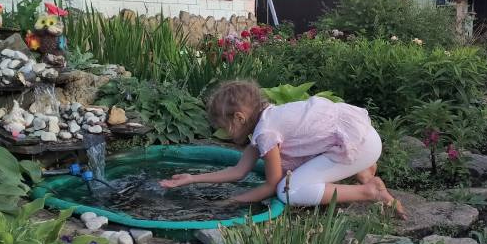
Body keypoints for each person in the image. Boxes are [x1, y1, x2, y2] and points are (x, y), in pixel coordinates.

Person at [159, 80, 407, 217]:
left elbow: (272, 185)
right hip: (363, 135)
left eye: (225, 127)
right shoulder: (267, 118)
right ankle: (363, 170)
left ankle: (368, 191)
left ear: (239, 118)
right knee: (296, 178)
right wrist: (192, 179)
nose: (224, 134)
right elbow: (238, 171)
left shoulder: (265, 133)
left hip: (363, 145)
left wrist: (231, 201)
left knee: (288, 191)